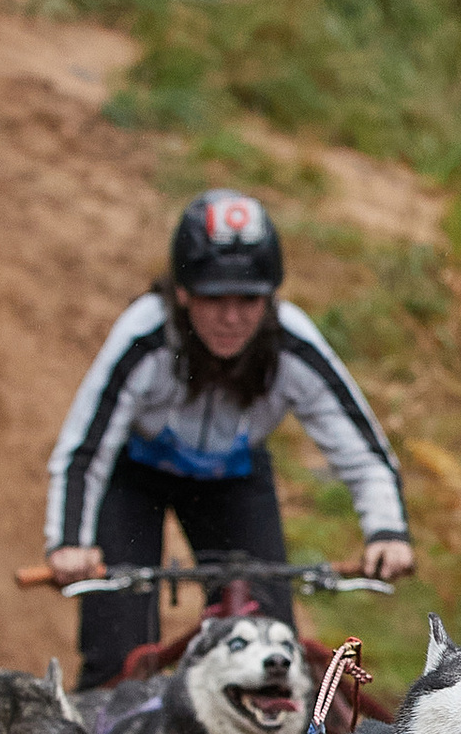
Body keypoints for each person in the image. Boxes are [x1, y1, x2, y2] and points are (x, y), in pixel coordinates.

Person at [44, 190, 417, 687]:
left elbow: (362, 450)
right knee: (119, 656)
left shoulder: (291, 343)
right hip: (132, 478)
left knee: (274, 650)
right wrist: (70, 543)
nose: (232, 317)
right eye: (214, 297)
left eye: (249, 300)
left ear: (270, 298)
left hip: (232, 482)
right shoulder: (145, 335)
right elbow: (85, 447)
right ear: (181, 292)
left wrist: (387, 532)